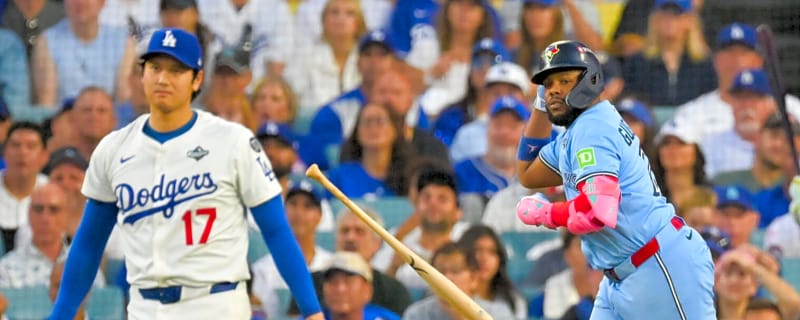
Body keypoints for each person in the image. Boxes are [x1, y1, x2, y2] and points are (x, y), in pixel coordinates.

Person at [48, 28, 323, 320]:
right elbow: (89, 244)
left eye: (176, 70)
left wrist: (312, 309)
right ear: (142, 74)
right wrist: (61, 314)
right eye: (155, 68)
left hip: (216, 303)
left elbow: (277, 231)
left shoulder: (233, 141)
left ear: (197, 80)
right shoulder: (114, 148)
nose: (163, 79)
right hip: (145, 306)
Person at [514, 40, 715, 318]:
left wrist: (546, 213)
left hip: (657, 263)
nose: (554, 90)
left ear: (591, 80)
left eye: (564, 80)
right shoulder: (579, 130)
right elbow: (527, 172)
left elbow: (597, 212)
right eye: (548, 85)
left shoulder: (592, 130)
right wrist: (540, 104)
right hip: (621, 273)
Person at [401, 242, 514, 319]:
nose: (447, 278)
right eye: (439, 271)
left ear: (474, 279)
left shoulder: (498, 314)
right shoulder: (416, 315)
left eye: (456, 271)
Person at [456, 225, 527, 319]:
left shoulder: (514, 301)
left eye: (492, 252)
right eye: (478, 250)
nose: (484, 258)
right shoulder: (447, 298)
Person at [0, 121, 49, 252]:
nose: (22, 152)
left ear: (44, 156)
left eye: (31, 146)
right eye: (15, 145)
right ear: (4, 152)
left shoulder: (54, 194)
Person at [320, 251, 401, 320]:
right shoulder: (312, 316)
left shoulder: (385, 318)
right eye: (333, 282)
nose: (340, 289)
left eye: (348, 281)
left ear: (367, 290)